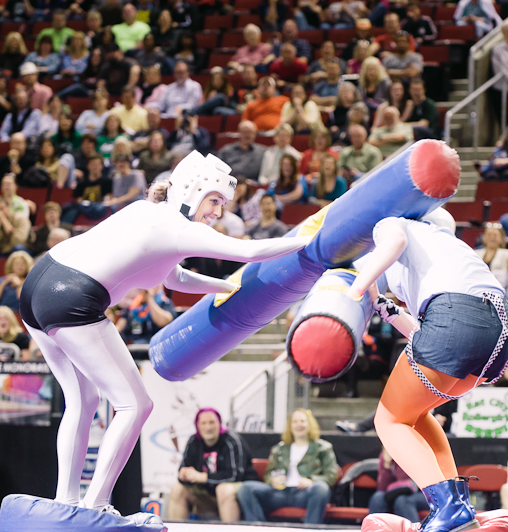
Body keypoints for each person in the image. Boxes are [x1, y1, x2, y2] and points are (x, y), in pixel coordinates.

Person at [20, 151, 308, 515]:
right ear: (194, 189)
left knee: (84, 401)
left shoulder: (148, 211)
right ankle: (95, 505)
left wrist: (224, 288)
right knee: (135, 405)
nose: (218, 212)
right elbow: (250, 252)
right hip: (71, 296)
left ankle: (68, 501)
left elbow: (175, 277)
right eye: (215, 200)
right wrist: (310, 239)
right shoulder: (179, 228)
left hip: (37, 286)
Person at [343, 202, 508, 531]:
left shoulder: (393, 222)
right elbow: (434, 336)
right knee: (416, 414)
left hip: (457, 319)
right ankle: (458, 502)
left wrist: (355, 289)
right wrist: (384, 307)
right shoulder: (452, 251)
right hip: (499, 336)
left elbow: (393, 244)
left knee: (389, 420)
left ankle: (448, 507)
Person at [237, 408, 337, 524]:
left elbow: (331, 475)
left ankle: (311, 528)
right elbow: (269, 474)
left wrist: (312, 481)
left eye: (302, 421)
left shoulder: (323, 448)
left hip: (304, 493)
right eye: (295, 422)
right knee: (246, 488)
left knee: (321, 488)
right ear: (290, 426)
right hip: (280, 493)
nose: (298, 425)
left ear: (310, 424)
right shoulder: (278, 449)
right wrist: (273, 480)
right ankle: (259, 527)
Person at [169, 407, 256, 522]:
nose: (208, 427)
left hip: (239, 490)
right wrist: (185, 475)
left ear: (220, 424)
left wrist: (203, 477)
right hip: (207, 493)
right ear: (197, 426)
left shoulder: (231, 441)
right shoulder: (194, 441)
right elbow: (184, 470)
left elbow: (235, 475)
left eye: (212, 422)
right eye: (203, 423)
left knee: (223, 489)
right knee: (177, 488)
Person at [368, 447, 427, 521]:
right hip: (397, 492)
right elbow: (382, 487)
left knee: (402, 501)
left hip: (426, 493)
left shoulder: (415, 451)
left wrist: (401, 458)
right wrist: (386, 465)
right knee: (377, 497)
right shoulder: (387, 455)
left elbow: (408, 481)